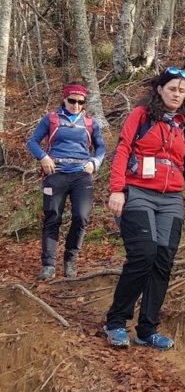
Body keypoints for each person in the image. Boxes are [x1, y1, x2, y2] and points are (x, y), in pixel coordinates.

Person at [105, 67, 185, 350]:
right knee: (144, 254)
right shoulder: (141, 116)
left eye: (182, 90)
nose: (177, 94)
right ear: (159, 89)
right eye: (172, 88)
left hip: (172, 198)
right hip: (138, 191)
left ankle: (147, 330)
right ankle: (116, 321)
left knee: (163, 261)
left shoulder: (184, 125)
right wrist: (117, 189)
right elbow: (124, 148)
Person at [26, 82, 106, 280]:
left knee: (81, 216)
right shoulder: (51, 119)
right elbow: (32, 142)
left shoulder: (89, 122)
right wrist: (43, 158)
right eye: (72, 100)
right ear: (64, 99)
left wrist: (95, 163)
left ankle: (70, 260)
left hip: (81, 175)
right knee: (52, 216)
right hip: (55, 174)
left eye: (81, 102)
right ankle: (48, 264)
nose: (76, 105)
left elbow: (101, 147)